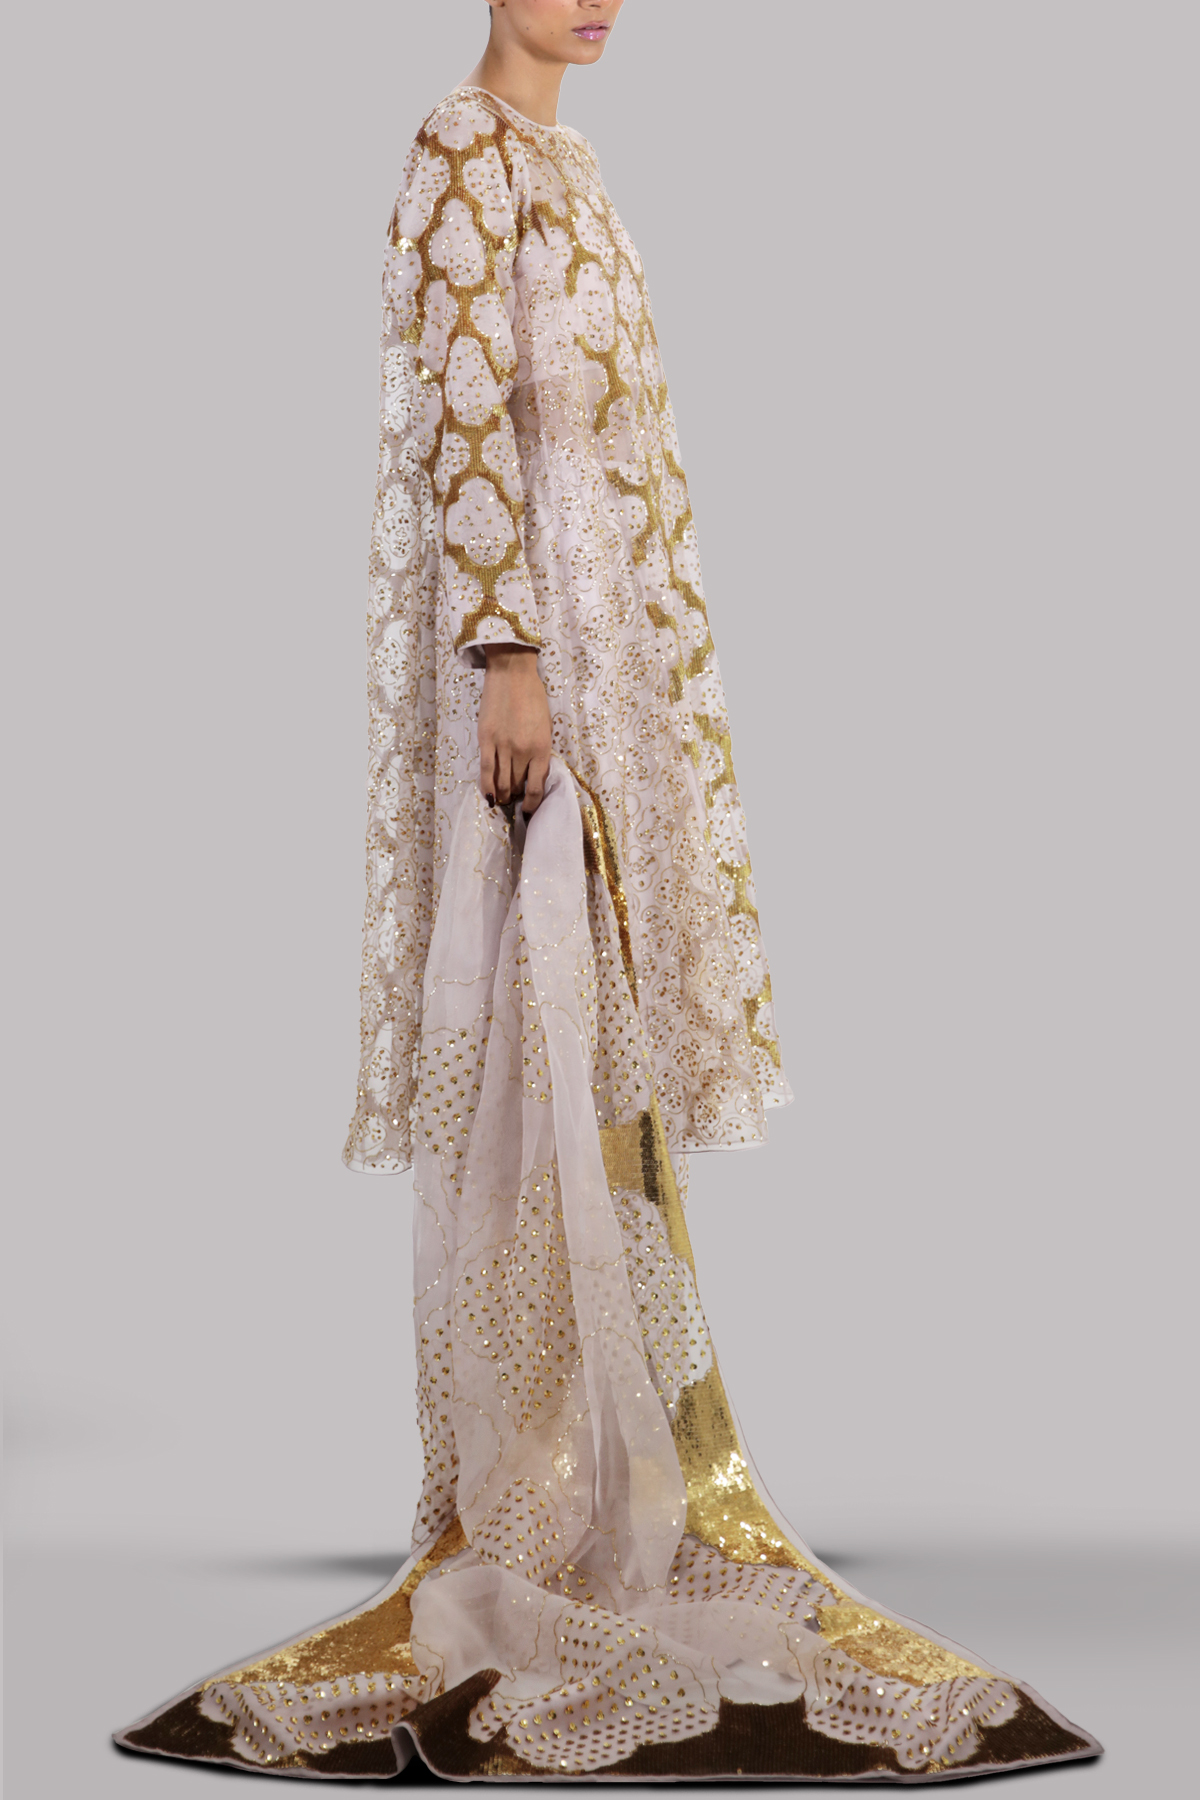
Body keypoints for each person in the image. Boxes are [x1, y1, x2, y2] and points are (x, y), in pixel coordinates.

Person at [116, 1, 1101, 1780]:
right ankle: (526, 1486)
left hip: (611, 653)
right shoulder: (458, 149)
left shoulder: (573, 163)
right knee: (535, 1025)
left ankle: (604, 1456)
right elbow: (462, 413)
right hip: (535, 668)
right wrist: (508, 649)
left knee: (603, 1036)